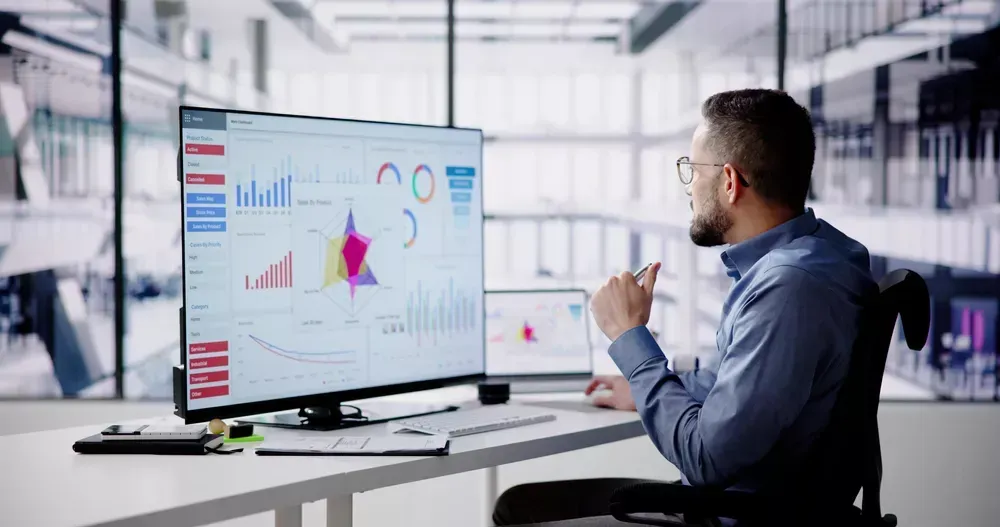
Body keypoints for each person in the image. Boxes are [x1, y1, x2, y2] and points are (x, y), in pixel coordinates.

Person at [492, 88, 876, 526]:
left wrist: (631, 341)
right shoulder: (821, 257)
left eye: (693, 170)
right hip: (753, 503)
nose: (690, 187)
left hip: (734, 515)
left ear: (730, 182)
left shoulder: (788, 289)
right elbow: (738, 386)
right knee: (517, 505)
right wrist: (650, 386)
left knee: (516, 517)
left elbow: (706, 459)